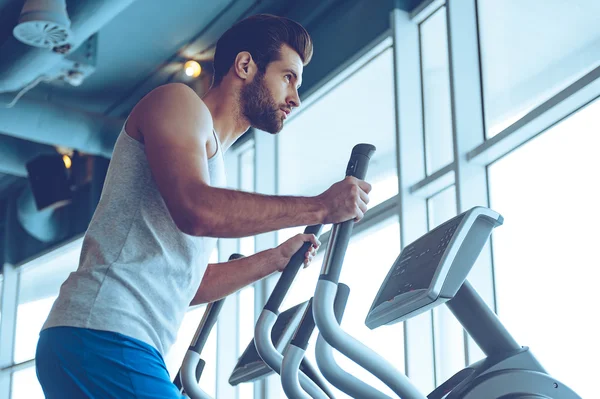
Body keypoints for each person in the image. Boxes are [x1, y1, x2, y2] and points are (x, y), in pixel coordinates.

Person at [35, 13, 371, 398]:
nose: (295, 97)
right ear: (246, 65)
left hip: (111, 341)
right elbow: (197, 209)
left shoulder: (212, 165)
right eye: (288, 77)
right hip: (103, 334)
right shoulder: (177, 103)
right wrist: (320, 207)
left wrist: (274, 258)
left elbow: (186, 285)